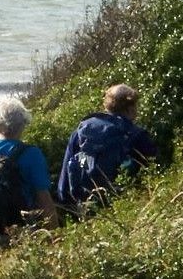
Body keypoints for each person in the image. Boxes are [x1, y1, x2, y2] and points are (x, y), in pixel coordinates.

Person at [57, 83, 158, 214]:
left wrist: (71, 206)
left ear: (107, 105)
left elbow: (64, 184)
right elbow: (153, 174)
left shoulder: (80, 133)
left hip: (85, 205)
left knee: (83, 160)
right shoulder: (136, 135)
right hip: (125, 207)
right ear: (130, 109)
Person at [0, 96, 59, 243]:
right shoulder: (31, 154)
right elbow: (43, 197)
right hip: (21, 225)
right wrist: (54, 235)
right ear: (22, 125)